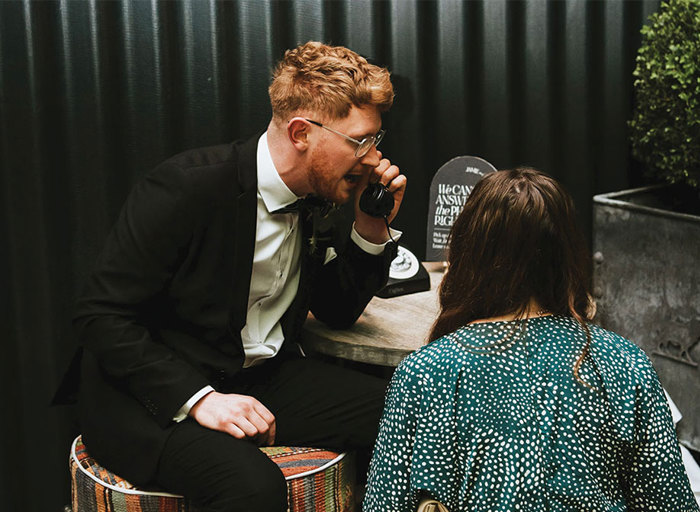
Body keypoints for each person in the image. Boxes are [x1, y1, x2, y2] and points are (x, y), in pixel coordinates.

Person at [61, 41, 407, 512]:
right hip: (147, 392)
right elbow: (100, 316)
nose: (372, 158)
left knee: (410, 410)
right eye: (360, 140)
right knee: (251, 486)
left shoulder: (320, 194)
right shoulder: (188, 186)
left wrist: (370, 228)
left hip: (254, 375)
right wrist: (199, 399)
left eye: (375, 141)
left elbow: (336, 311)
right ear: (302, 133)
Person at [363, 168, 699, 512]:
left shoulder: (422, 374)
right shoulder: (627, 364)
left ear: (466, 255)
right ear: (568, 256)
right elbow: (670, 503)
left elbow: (383, 504)